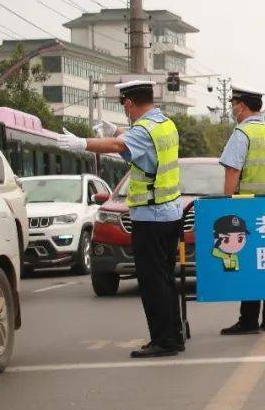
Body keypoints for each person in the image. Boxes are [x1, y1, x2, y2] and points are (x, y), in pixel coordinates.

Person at [58, 80, 184, 358]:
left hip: (150, 216)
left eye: (123, 106)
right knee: (164, 279)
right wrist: (116, 130)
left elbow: (118, 145)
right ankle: (174, 335)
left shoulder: (142, 130)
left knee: (153, 282)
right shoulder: (165, 124)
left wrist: (82, 143)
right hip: (170, 214)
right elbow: (131, 141)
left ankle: (163, 340)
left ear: (129, 103)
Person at [217, 85, 265, 336]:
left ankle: (248, 320)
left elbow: (232, 170)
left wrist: (227, 204)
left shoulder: (242, 133)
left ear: (242, 105)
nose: (232, 107)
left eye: (233, 102)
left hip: (246, 207)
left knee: (250, 265)